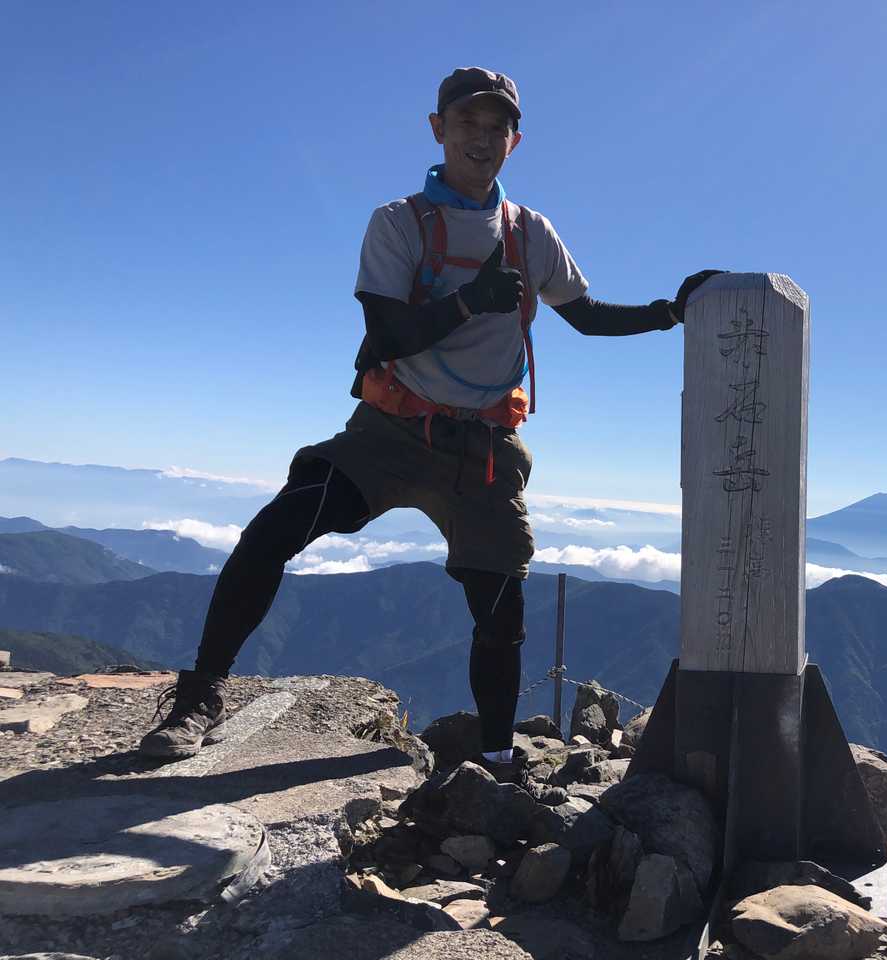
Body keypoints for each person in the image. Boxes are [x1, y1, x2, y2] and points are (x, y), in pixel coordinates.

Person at [138, 67, 720, 778]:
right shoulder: (399, 222)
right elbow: (386, 334)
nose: (483, 137)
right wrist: (470, 301)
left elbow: (587, 316)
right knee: (272, 532)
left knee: (501, 612)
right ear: (438, 129)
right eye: (468, 122)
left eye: (497, 127)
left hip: (484, 448)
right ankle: (198, 698)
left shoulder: (531, 232)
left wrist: (670, 312)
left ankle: (496, 762)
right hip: (389, 434)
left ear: (515, 141)